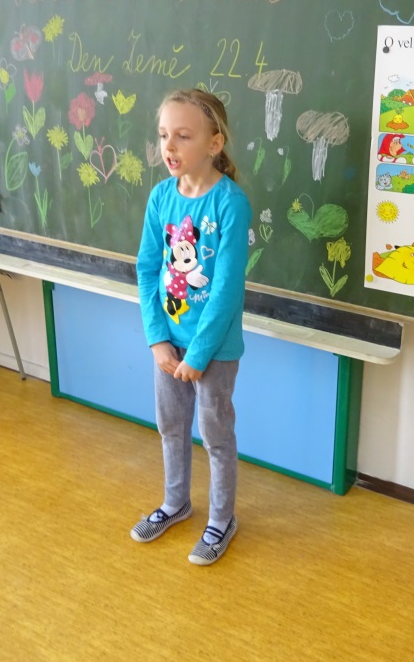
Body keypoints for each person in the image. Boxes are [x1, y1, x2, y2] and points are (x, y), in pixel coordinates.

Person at [132, 88, 252, 566]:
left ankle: (221, 520)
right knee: (171, 427)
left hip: (214, 350)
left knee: (215, 435)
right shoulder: (161, 197)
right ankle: (175, 503)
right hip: (169, 345)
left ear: (214, 143)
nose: (169, 146)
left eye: (183, 135)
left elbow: (225, 291)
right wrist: (157, 340)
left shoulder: (230, 204)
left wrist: (198, 356)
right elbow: (147, 269)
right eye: (164, 135)